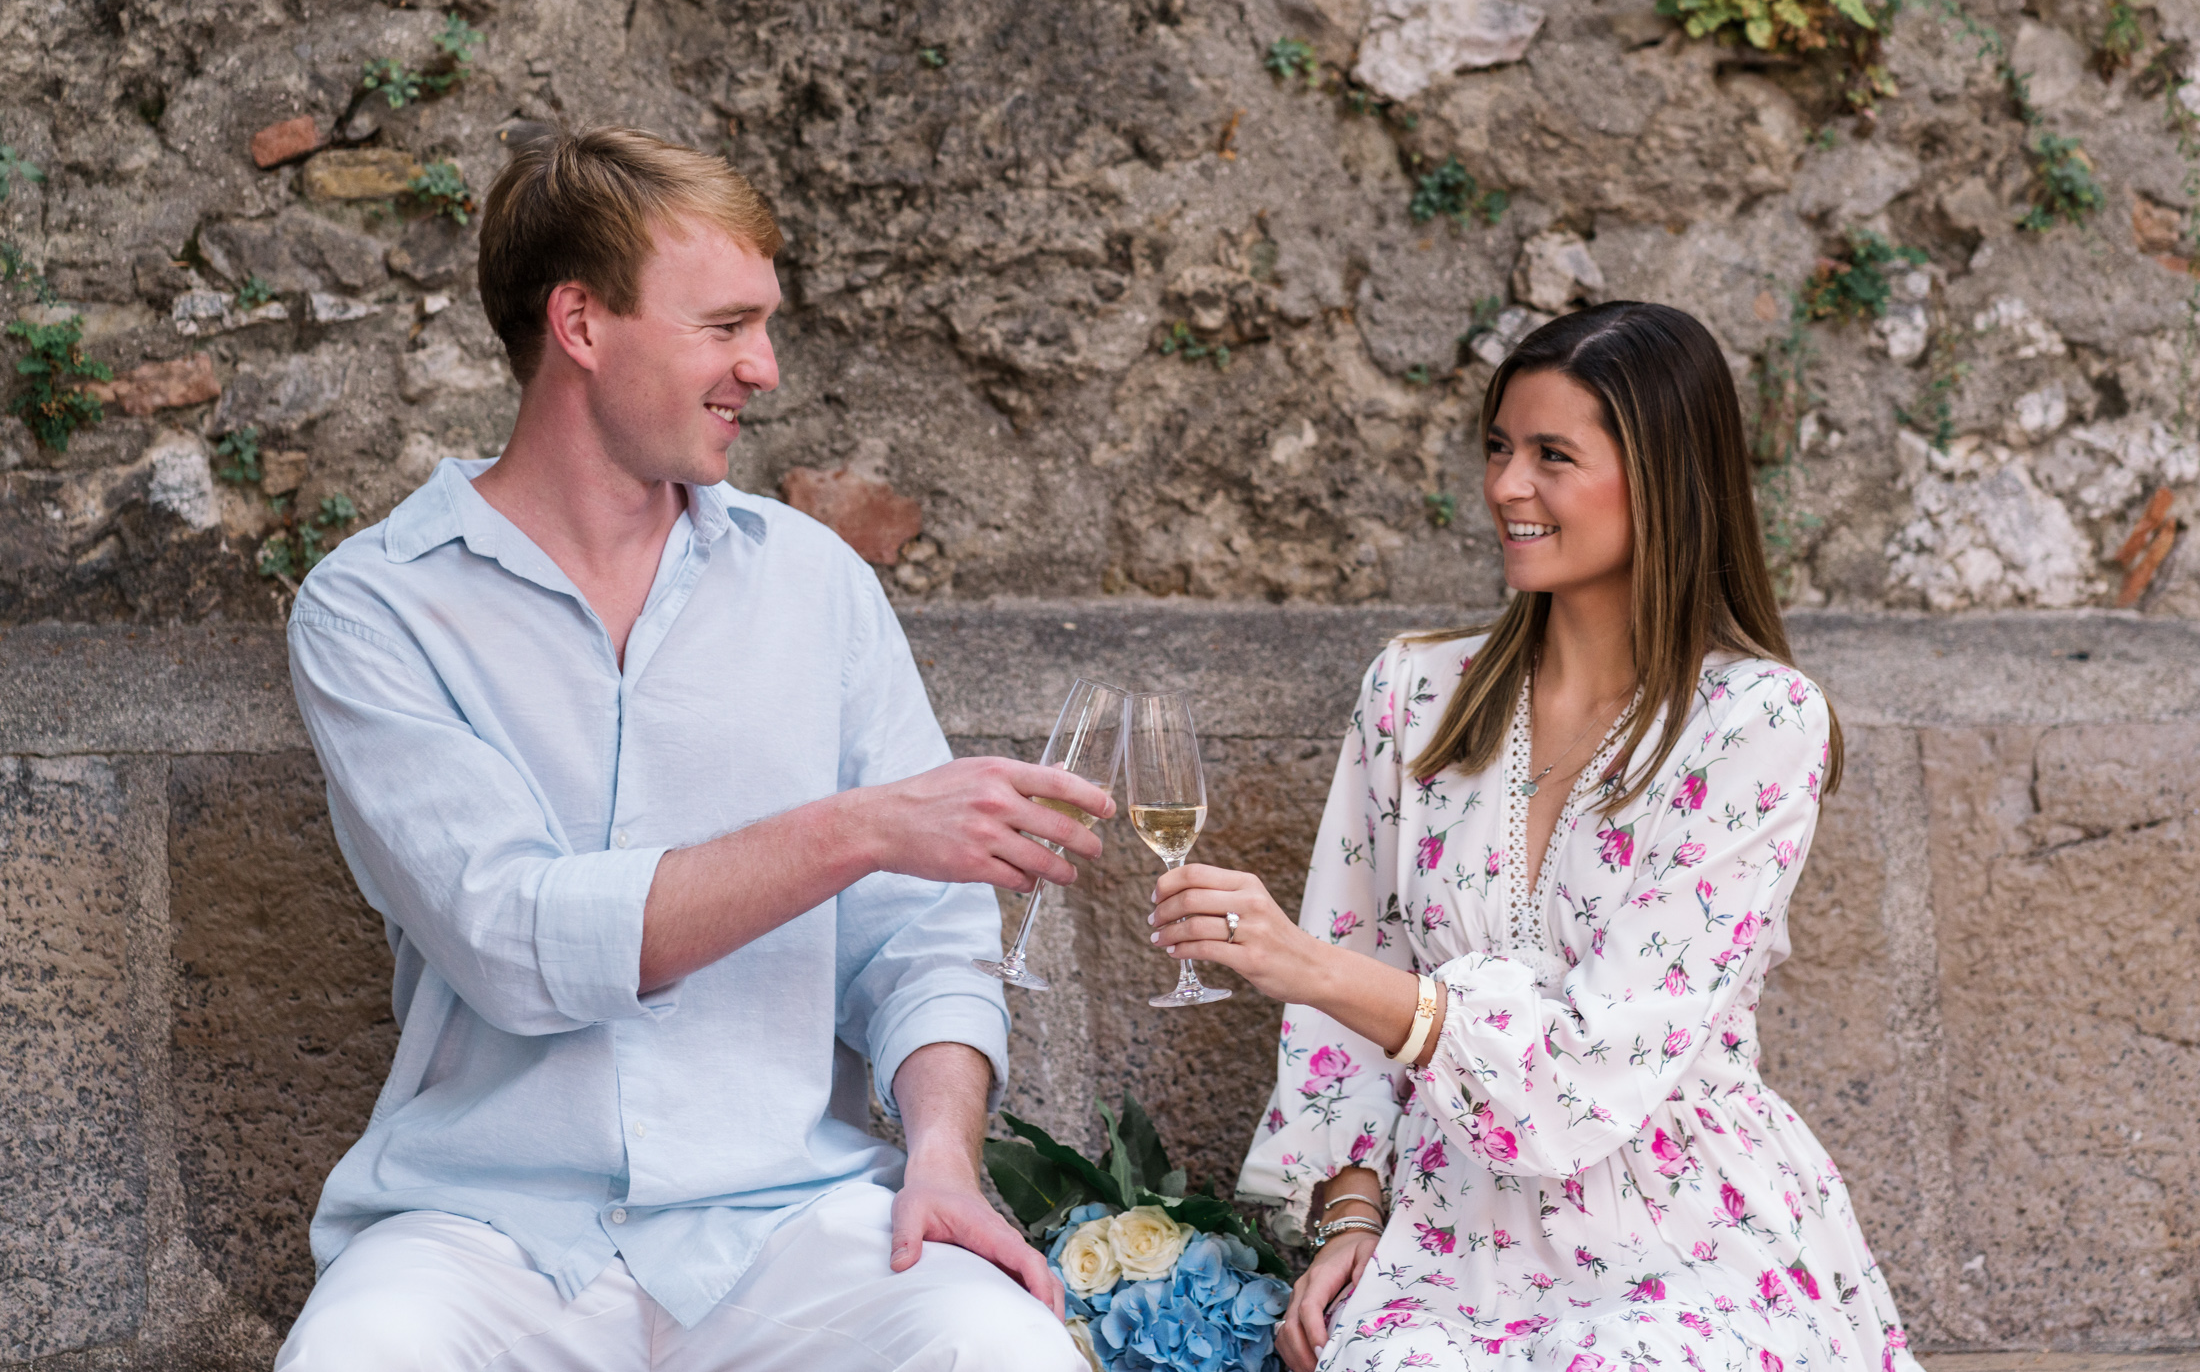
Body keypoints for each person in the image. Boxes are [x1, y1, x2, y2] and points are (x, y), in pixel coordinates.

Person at [275, 127, 1102, 1371]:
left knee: (1011, 1354)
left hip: (788, 1221)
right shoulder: (374, 606)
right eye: (725, 325)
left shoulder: (814, 583)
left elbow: (919, 940)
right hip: (486, 1233)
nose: (762, 369)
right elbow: (510, 936)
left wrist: (940, 1156)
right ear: (581, 323)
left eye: (762, 327)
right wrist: (858, 824)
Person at [1146, 302, 1922, 1372]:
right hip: (1445, 1221)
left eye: (1552, 455)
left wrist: (1301, 962)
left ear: (1663, 477)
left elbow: (1593, 1066)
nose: (1507, 486)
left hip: (1678, 1222)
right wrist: (1350, 1214)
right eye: (1499, 448)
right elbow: (1341, 1014)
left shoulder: (1756, 722)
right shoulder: (1414, 692)